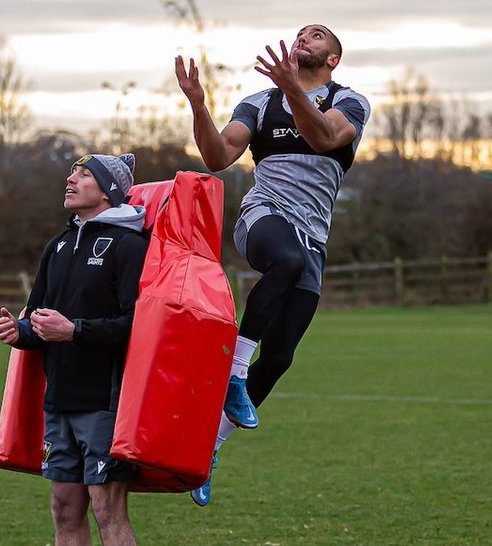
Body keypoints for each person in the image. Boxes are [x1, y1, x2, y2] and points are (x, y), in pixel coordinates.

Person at [174, 23, 371, 506]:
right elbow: (218, 155)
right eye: (301, 33)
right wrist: (199, 105)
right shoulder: (259, 103)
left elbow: (326, 138)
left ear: (333, 59)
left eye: (318, 36)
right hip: (264, 217)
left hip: (313, 239)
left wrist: (292, 89)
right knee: (283, 260)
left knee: (280, 356)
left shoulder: (351, 102)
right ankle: (235, 374)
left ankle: (207, 452)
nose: (306, 38)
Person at [0, 153, 148, 546]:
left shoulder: (128, 246)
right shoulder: (58, 246)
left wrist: (74, 331)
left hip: (104, 401)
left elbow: (139, 327)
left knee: (107, 509)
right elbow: (40, 319)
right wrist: (20, 331)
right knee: (64, 506)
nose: (71, 179)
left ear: (109, 191)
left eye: (84, 174)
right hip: (59, 399)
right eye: (72, 172)